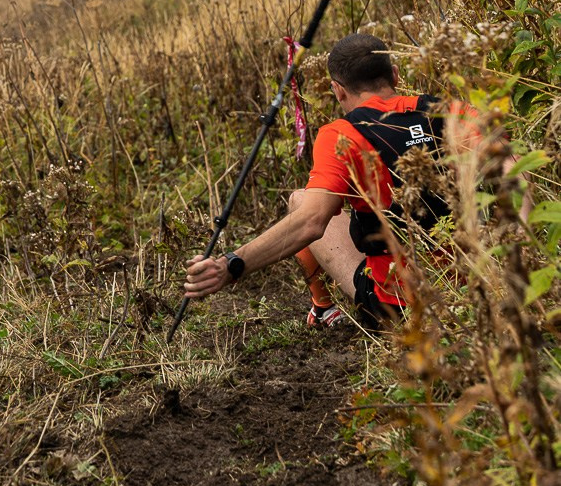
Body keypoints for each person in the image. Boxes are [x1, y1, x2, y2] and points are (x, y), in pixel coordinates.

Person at [183, 33, 526, 332]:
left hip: (398, 307)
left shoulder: (342, 135)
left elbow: (311, 222)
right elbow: (517, 172)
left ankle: (323, 308)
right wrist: (522, 255)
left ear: (337, 89)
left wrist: (232, 264)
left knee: (302, 200)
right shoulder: (451, 111)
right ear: (395, 74)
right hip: (470, 290)